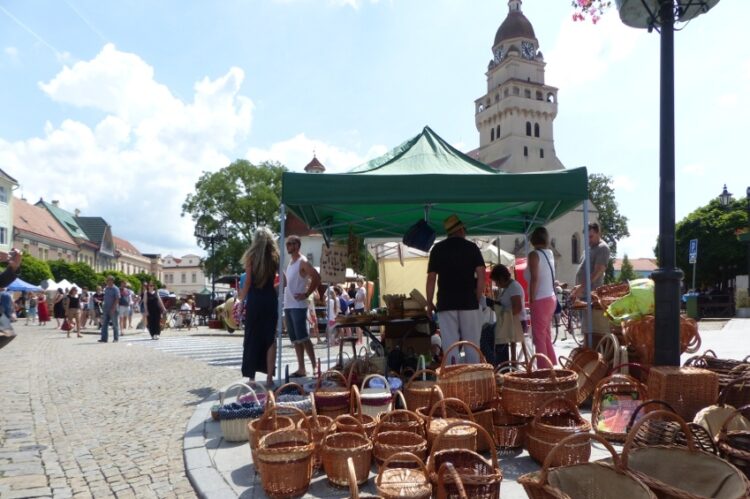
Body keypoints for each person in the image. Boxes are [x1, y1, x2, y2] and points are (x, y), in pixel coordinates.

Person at [426, 214, 485, 363]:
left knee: (450, 345)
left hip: (446, 302)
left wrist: (429, 302)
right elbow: (481, 275)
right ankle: (474, 379)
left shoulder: (437, 249)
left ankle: (453, 381)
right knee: (472, 344)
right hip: (468, 302)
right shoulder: (471, 247)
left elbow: (431, 278)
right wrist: (477, 297)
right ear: (460, 230)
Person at [237, 227, 280, 387]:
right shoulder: (275, 256)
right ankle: (269, 378)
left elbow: (247, 282)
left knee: (252, 337)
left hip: (255, 300)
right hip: (270, 299)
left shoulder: (252, 256)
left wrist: (241, 299)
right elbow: (283, 281)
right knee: (270, 338)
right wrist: (273, 290)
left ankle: (252, 378)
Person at [282, 235, 321, 378]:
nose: (288, 246)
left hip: (298, 305)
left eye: (291, 244)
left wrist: (306, 294)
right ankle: (301, 368)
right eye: (287, 244)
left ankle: (315, 366)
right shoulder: (290, 263)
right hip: (288, 304)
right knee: (295, 339)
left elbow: (316, 277)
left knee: (303, 337)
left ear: (297, 246)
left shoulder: (302, 262)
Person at [524, 226, 557, 368]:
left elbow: (535, 279)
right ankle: (551, 366)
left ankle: (543, 370)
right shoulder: (549, 253)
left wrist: (531, 298)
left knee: (539, 337)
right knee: (546, 335)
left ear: (532, 239)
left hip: (541, 299)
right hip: (551, 298)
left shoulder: (534, 255)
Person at [486, 264, 527, 365]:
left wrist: (503, 313)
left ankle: (500, 364)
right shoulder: (508, 288)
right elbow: (507, 306)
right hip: (511, 322)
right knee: (488, 330)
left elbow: (517, 308)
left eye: (496, 281)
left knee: (488, 333)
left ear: (501, 278)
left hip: (517, 323)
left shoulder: (514, 287)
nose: (496, 284)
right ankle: (500, 363)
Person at [572, 222, 611, 299]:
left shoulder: (603, 248)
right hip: (582, 295)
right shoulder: (588, 249)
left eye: (591, 237)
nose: (588, 240)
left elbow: (598, 272)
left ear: (598, 233)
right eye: (586, 237)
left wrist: (581, 287)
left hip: (591, 296)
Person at [99, 276, 121, 343]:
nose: (107, 282)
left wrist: (113, 308)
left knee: (115, 324)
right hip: (106, 308)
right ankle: (104, 339)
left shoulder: (115, 289)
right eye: (107, 280)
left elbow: (117, 299)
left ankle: (116, 338)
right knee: (104, 324)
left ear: (112, 281)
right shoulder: (106, 288)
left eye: (108, 280)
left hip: (113, 309)